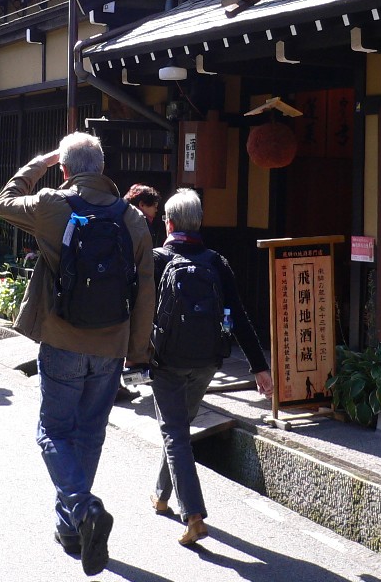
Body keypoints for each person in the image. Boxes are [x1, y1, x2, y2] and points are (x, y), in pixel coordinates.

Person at [0, 132, 155, 575]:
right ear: (102, 168)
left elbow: (2, 202)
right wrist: (137, 353)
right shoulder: (133, 218)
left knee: (53, 432)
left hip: (62, 338)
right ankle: (70, 527)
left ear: (65, 169)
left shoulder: (52, 205)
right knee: (89, 432)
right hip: (111, 344)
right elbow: (145, 291)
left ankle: (82, 509)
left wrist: (37, 165)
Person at [143, 188, 272, 545]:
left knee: (174, 432)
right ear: (199, 222)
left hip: (166, 360)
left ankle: (194, 515)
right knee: (179, 430)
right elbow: (240, 318)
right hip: (207, 361)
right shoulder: (216, 261)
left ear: (168, 222)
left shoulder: (156, 260)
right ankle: (160, 495)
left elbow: (137, 312)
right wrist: (259, 367)